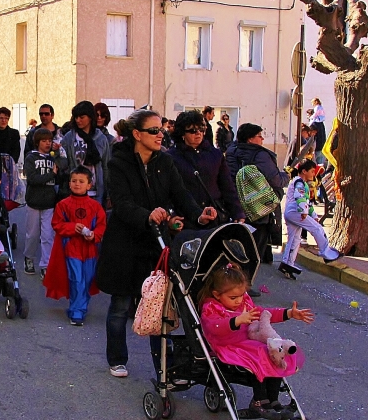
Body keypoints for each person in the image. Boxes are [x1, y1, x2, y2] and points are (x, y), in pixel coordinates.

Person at [96, 109, 217, 378]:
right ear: (137, 135)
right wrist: (146, 214)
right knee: (120, 305)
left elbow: (180, 193)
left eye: (161, 129)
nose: (160, 135)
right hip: (124, 243)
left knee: (159, 305)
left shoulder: (165, 161)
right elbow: (122, 202)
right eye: (153, 131)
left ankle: (163, 364)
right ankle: (117, 359)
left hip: (156, 243)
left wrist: (198, 213)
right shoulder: (119, 163)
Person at [198, 263, 313, 420]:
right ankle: (259, 401)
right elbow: (213, 327)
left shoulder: (244, 302)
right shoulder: (211, 307)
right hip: (226, 346)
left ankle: (273, 400)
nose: (239, 301)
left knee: (275, 351)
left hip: (246, 343)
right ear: (217, 294)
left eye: (241, 295)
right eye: (233, 298)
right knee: (260, 354)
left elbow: (263, 314)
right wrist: (236, 320)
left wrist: (288, 313)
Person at [43, 166, 106, 326]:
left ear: (89, 185)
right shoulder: (63, 205)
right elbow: (56, 224)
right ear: (69, 183)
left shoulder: (95, 206)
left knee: (87, 279)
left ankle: (78, 307)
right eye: (74, 181)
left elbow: (101, 226)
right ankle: (78, 311)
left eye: (81, 181)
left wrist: (94, 235)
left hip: (90, 249)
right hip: (71, 248)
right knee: (76, 279)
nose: (77, 184)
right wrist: (72, 228)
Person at [226, 124, 289, 274]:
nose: (262, 139)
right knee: (254, 249)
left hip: (235, 205)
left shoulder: (231, 151)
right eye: (259, 136)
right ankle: (246, 283)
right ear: (250, 139)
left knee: (237, 248)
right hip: (258, 208)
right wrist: (287, 176)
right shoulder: (261, 155)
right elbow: (275, 180)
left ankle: (235, 281)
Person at [167, 110, 245, 227]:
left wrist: (237, 213)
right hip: (185, 219)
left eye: (201, 129)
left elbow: (227, 186)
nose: (198, 133)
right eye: (192, 131)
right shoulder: (171, 157)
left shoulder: (215, 154)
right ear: (182, 133)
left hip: (214, 216)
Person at [280, 160, 342, 279]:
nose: (314, 174)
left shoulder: (299, 182)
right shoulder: (299, 182)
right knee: (317, 229)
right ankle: (326, 253)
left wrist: (312, 214)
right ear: (304, 171)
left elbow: (306, 201)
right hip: (296, 211)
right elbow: (300, 197)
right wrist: (304, 211)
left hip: (291, 212)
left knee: (294, 239)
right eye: (312, 171)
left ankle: (287, 264)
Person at [59, 101, 111, 206]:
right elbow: (63, 165)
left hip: (96, 191)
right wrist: (57, 152)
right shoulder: (69, 138)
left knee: (94, 222)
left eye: (82, 117)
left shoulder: (101, 138)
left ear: (90, 117)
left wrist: (109, 194)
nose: (78, 120)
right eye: (76, 117)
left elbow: (106, 167)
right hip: (75, 191)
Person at [23, 128, 58, 277]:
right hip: (34, 201)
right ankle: (29, 257)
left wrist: (59, 152)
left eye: (49, 141)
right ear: (37, 142)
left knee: (48, 235)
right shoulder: (31, 158)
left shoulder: (53, 158)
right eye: (44, 141)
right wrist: (51, 174)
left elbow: (63, 166)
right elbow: (32, 179)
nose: (47, 144)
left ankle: (46, 264)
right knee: (32, 234)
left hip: (49, 201)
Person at [308, 98, 327, 163]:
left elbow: (311, 138)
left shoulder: (313, 124)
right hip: (322, 148)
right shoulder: (321, 124)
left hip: (316, 149)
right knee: (320, 168)